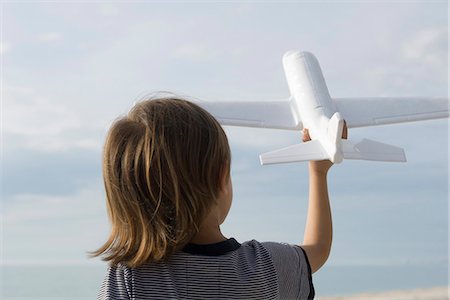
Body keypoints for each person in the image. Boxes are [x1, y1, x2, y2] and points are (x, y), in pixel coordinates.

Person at [91, 94, 347, 299]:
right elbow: (318, 250)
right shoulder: (266, 268)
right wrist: (318, 173)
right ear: (220, 176)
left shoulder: (131, 279)